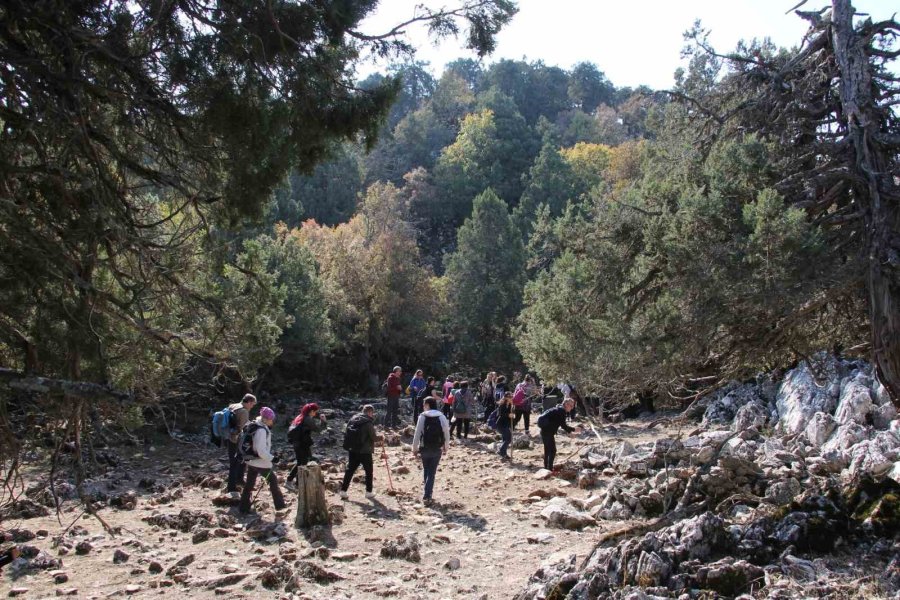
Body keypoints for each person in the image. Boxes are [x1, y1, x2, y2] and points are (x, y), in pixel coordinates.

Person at [239, 407, 286, 514]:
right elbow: (260, 451)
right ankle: (280, 506)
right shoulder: (261, 430)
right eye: (271, 419)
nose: (272, 421)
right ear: (266, 419)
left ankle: (243, 507)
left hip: (251, 461)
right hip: (261, 463)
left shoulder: (255, 424)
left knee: (249, 484)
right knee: (273, 481)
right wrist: (273, 459)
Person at [411, 397, 451, 505]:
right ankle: (428, 495)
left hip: (424, 447)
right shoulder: (441, 416)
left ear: (428, 405)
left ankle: (427, 494)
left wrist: (414, 448)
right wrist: (446, 446)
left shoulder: (422, 416)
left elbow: (417, 433)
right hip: (437, 448)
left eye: (424, 405)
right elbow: (446, 433)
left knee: (426, 469)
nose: (423, 407)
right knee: (431, 472)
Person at [340, 404, 377, 499]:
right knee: (369, 471)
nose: (373, 415)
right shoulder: (368, 422)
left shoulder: (353, 419)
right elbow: (373, 437)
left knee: (350, 470)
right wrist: (381, 437)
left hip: (352, 449)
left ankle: (343, 491)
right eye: (372, 413)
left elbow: (346, 432)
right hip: (364, 451)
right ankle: (368, 492)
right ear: (369, 412)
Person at [286, 403, 326, 488]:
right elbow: (318, 429)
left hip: (297, 443)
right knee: (302, 464)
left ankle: (296, 483)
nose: (315, 414)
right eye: (315, 412)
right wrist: (323, 421)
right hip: (302, 444)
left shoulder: (299, 417)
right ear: (311, 411)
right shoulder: (308, 419)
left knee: (301, 463)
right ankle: (292, 482)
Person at [226, 393, 257, 498]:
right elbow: (242, 429)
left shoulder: (233, 406)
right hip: (236, 440)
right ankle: (231, 487)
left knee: (241, 461)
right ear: (248, 402)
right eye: (252, 404)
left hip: (229, 437)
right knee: (234, 463)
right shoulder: (244, 411)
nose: (252, 407)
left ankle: (239, 480)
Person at [537, 398, 577, 471]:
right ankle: (549, 468)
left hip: (544, 431)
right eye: (571, 406)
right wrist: (574, 429)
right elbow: (563, 426)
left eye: (572, 406)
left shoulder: (558, 409)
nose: (572, 408)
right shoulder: (561, 411)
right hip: (547, 432)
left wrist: (570, 432)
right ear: (566, 404)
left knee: (547, 450)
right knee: (552, 450)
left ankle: (546, 467)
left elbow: (560, 424)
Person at [496, 391, 515, 460]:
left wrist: (512, 413)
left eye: (512, 397)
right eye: (510, 397)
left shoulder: (509, 405)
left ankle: (504, 454)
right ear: (506, 398)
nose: (511, 398)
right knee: (509, 438)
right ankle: (501, 450)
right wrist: (508, 415)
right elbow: (500, 414)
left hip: (506, 424)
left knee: (505, 439)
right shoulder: (502, 404)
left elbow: (510, 413)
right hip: (500, 424)